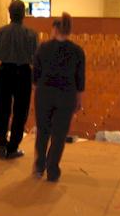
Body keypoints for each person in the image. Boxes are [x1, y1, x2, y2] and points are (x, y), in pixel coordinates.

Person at [33, 12, 85, 182]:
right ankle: (52, 170)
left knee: (43, 132)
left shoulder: (43, 48)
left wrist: (37, 90)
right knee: (59, 135)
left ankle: (39, 166)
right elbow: (80, 79)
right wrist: (79, 99)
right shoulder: (77, 51)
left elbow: (35, 75)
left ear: (55, 30)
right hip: (66, 96)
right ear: (69, 31)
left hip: (44, 95)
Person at [0, 0, 38, 160]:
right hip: (23, 73)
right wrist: (36, 79)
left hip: (5, 72)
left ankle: (2, 143)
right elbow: (37, 60)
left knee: (2, 109)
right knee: (20, 111)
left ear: (9, 14)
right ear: (24, 14)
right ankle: (13, 147)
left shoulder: (1, 32)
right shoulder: (31, 34)